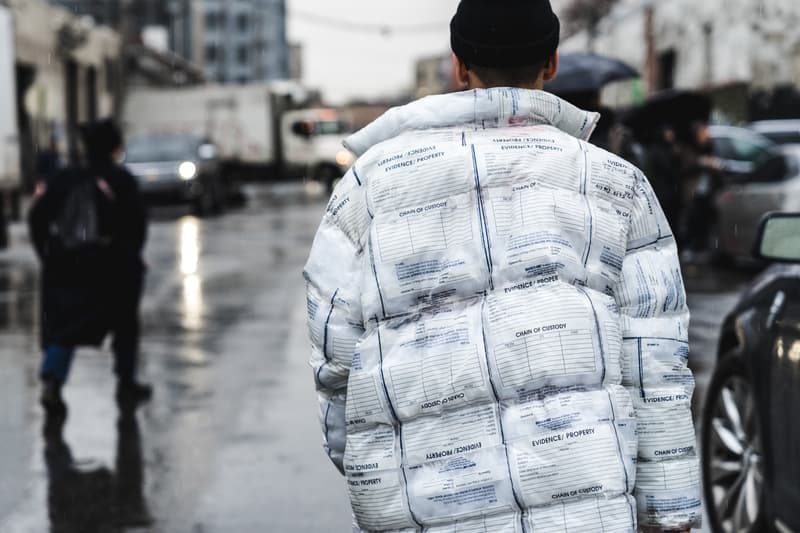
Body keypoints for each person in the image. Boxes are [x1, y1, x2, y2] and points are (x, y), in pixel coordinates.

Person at [304, 1, 700, 531]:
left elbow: (336, 362)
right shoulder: (619, 185)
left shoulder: (366, 187)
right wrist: (669, 513)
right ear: (552, 64)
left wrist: (370, 468)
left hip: (424, 507)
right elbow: (656, 364)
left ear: (458, 66)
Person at [29, 119, 151, 412]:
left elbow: (37, 218)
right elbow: (137, 224)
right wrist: (128, 256)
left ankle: (52, 383)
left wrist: (47, 254)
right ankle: (126, 384)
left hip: (66, 266)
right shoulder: (121, 179)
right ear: (113, 147)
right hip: (112, 267)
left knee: (63, 328)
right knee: (124, 325)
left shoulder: (64, 178)